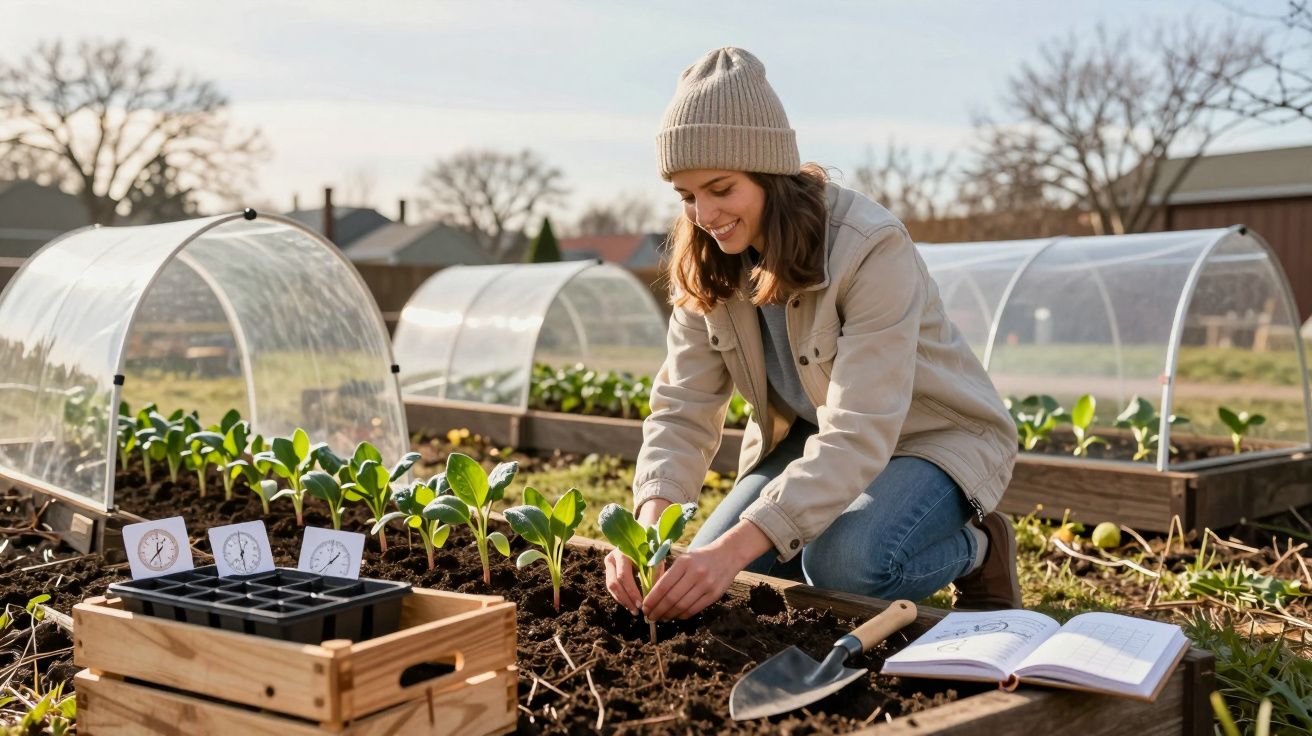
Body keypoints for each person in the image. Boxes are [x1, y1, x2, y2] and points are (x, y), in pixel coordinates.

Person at [603, 47, 1021, 622]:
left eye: (721, 189)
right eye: (687, 195)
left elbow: (862, 430)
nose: (702, 214)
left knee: (842, 567)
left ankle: (981, 549)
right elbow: (682, 409)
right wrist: (646, 528)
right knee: (737, 573)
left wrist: (736, 545)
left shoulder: (870, 247)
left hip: (932, 438)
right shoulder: (707, 264)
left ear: (770, 172)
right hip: (815, 436)